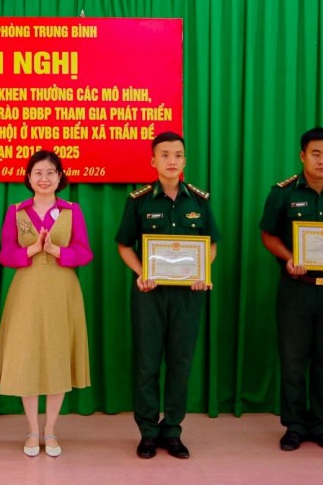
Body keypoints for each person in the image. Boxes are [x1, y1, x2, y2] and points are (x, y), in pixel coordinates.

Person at [115, 131, 219, 460]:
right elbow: (124, 245)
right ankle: (148, 432)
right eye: (164, 155)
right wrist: (140, 273)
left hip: (188, 296)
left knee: (180, 363)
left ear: (184, 160)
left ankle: (172, 430)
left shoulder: (199, 201)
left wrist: (202, 272)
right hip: (150, 294)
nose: (171, 160)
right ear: (153, 161)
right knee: (147, 363)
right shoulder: (139, 201)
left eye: (177, 155)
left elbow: (211, 245)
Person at [259, 127, 323, 453]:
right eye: (316, 154)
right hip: (296, 289)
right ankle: (294, 427)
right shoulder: (283, 193)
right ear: (303, 156)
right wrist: (289, 258)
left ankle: (321, 426)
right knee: (292, 362)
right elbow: (268, 235)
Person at [0, 150, 92, 458]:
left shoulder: (72, 210)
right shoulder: (16, 211)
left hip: (62, 290)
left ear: (60, 177)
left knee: (58, 356)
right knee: (27, 357)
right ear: (29, 178)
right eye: (38, 173)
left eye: (50, 173)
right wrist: (31, 249)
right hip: (26, 290)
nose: (44, 178)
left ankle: (51, 430)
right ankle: (33, 430)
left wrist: (59, 252)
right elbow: (5, 254)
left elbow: (85, 252)